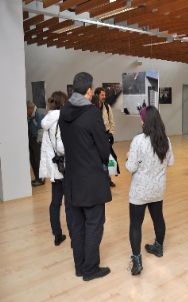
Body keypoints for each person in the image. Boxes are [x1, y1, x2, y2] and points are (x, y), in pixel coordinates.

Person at [59, 72, 112, 281]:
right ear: (89, 91)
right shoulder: (91, 113)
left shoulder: (64, 112)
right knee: (94, 224)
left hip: (71, 180)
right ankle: (90, 269)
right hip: (91, 180)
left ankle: (80, 267)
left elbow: (66, 143)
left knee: (76, 225)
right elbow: (104, 149)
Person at [126, 106, 174, 276]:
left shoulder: (138, 140)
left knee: (135, 224)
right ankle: (158, 247)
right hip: (157, 189)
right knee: (158, 217)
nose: (140, 120)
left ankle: (137, 260)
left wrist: (128, 158)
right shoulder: (165, 140)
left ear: (145, 121)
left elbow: (130, 166)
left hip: (140, 190)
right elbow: (170, 162)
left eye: (141, 118)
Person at [39, 91, 72, 246]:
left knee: (55, 203)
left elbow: (47, 148)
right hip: (64, 167)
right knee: (69, 203)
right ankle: (74, 233)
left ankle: (57, 234)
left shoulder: (47, 120)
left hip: (54, 168)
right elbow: (61, 147)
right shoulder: (61, 119)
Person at [94, 87, 119, 187]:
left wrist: (111, 134)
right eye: (102, 95)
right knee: (97, 159)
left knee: (108, 158)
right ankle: (98, 179)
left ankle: (108, 179)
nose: (104, 97)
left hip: (106, 136)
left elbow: (112, 122)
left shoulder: (107, 107)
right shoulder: (92, 108)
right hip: (96, 137)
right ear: (97, 95)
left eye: (105, 95)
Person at [27, 100, 45, 186]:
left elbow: (41, 129)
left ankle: (41, 179)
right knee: (33, 160)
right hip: (31, 139)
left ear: (30, 108)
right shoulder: (30, 115)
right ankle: (37, 178)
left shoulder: (39, 114)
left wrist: (38, 142)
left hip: (37, 140)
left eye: (26, 109)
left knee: (38, 160)